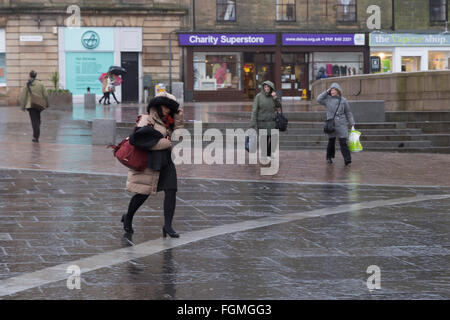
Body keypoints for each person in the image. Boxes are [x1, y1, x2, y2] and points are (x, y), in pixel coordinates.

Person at [122, 92, 184, 237]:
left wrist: (179, 117)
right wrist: (162, 143)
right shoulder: (146, 120)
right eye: (166, 107)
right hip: (150, 162)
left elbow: (178, 135)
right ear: (158, 106)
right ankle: (128, 216)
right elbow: (136, 140)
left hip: (166, 161)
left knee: (171, 190)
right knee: (142, 194)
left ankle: (168, 226)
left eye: (170, 108)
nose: (168, 110)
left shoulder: (168, 121)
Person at [317, 82, 355, 166]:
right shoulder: (327, 99)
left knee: (343, 142)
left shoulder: (343, 100)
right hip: (331, 124)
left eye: (333, 90)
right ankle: (329, 157)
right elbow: (318, 99)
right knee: (331, 142)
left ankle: (347, 159)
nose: (332, 92)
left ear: (338, 91)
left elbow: (348, 112)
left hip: (341, 124)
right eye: (331, 90)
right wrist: (326, 92)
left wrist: (352, 123)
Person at [249, 80, 281, 159]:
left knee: (272, 138)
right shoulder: (258, 96)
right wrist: (252, 122)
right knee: (264, 138)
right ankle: (264, 154)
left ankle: (269, 154)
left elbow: (279, 105)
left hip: (272, 121)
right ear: (263, 87)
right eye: (265, 87)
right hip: (262, 121)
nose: (266, 88)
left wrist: (275, 98)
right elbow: (254, 110)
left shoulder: (273, 96)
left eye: (268, 87)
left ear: (271, 88)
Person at [19, 70, 48, 143]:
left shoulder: (27, 84)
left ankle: (36, 137)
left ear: (30, 75)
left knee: (34, 121)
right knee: (37, 120)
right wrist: (47, 104)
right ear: (36, 76)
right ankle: (36, 134)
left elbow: (23, 97)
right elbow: (46, 95)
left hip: (31, 106)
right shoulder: (41, 84)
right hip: (39, 104)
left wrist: (22, 107)